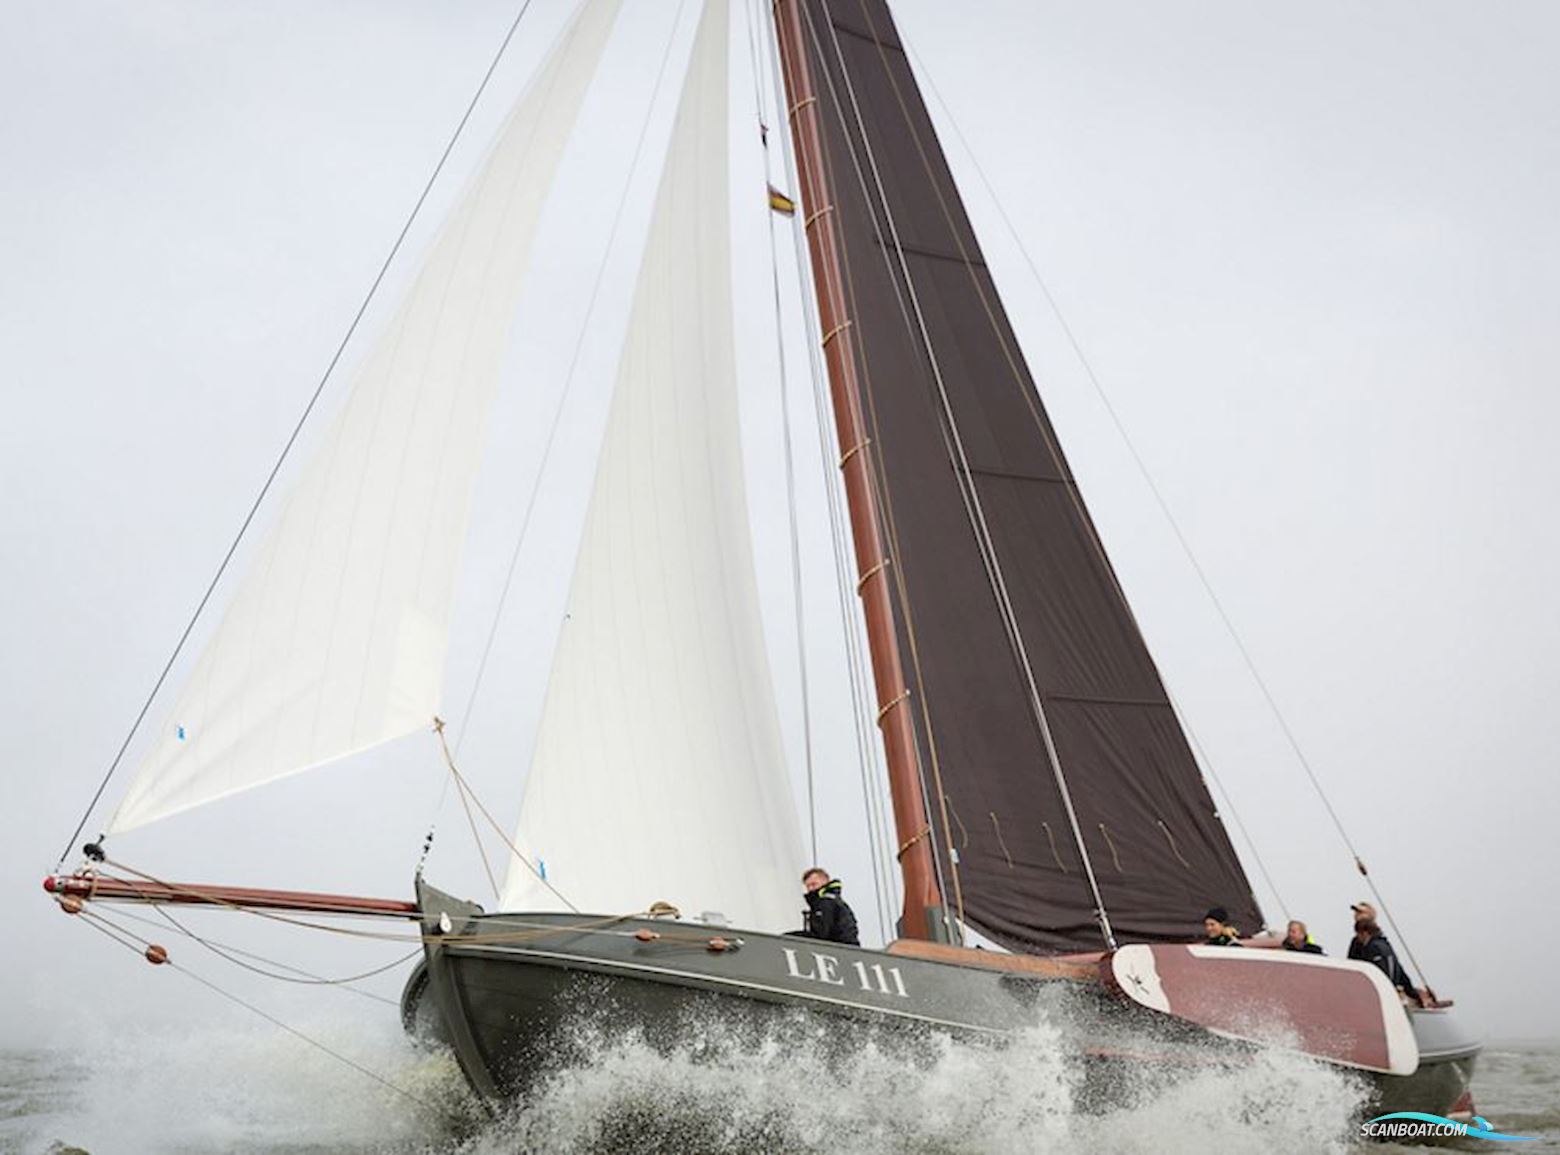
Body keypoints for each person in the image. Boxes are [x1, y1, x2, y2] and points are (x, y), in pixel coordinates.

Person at [1352, 918, 1430, 1006]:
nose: (1357, 939)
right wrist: (1413, 994)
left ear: (1364, 933)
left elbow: (1378, 973)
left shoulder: (1372, 948)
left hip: (1381, 995)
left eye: (1358, 934)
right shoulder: (1386, 945)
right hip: (1391, 993)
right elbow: (1400, 972)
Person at [798, 867, 859, 946]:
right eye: (808, 886)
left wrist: (786, 938)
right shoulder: (835, 901)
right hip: (846, 949)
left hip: (838, 949)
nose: (811, 889)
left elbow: (820, 934)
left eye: (814, 884)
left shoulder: (826, 902)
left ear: (825, 882)